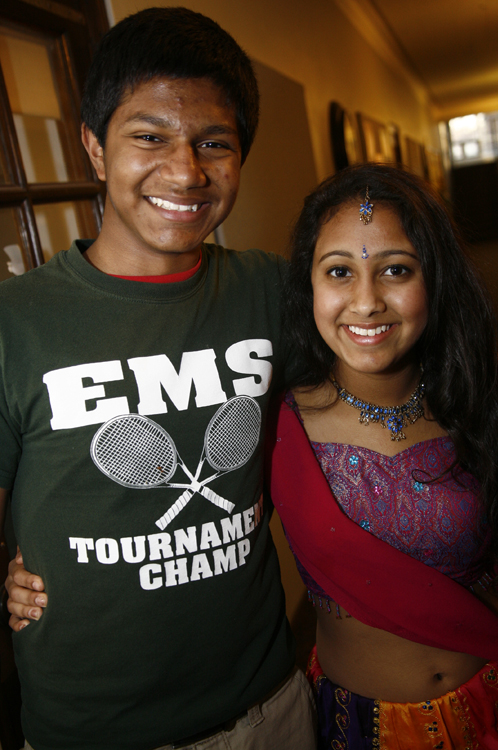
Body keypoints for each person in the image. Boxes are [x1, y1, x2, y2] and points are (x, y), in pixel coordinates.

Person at [0, 7, 316, 750]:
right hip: (94, 732)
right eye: (149, 137)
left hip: (269, 708)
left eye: (215, 143)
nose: (186, 172)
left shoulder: (274, 293)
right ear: (96, 148)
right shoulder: (15, 321)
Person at [267, 163, 498, 748]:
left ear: (434, 279)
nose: (366, 302)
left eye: (395, 269)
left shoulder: (479, 401)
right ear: (309, 285)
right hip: (361, 728)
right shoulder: (274, 427)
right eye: (340, 272)